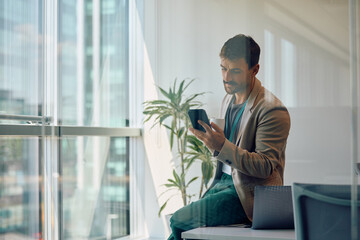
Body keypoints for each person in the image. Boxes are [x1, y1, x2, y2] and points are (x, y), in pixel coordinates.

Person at [167, 34, 291, 240]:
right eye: (223, 68)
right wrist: (211, 142)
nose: (226, 77)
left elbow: (265, 166)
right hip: (223, 183)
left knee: (178, 220)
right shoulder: (229, 98)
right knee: (184, 231)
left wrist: (221, 145)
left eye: (234, 71)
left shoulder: (272, 110)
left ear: (255, 70)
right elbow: (226, 152)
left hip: (249, 194)